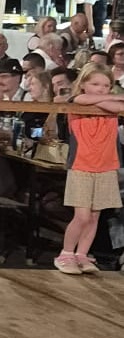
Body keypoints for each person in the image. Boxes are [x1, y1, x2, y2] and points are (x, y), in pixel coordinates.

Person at [53, 64, 124, 274]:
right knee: (82, 216)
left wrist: (109, 100)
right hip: (82, 166)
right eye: (95, 84)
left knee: (94, 216)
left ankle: (82, 254)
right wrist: (112, 98)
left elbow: (118, 107)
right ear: (83, 84)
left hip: (106, 166)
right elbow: (80, 99)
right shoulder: (77, 101)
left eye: (106, 85)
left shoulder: (111, 105)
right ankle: (66, 253)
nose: (101, 89)